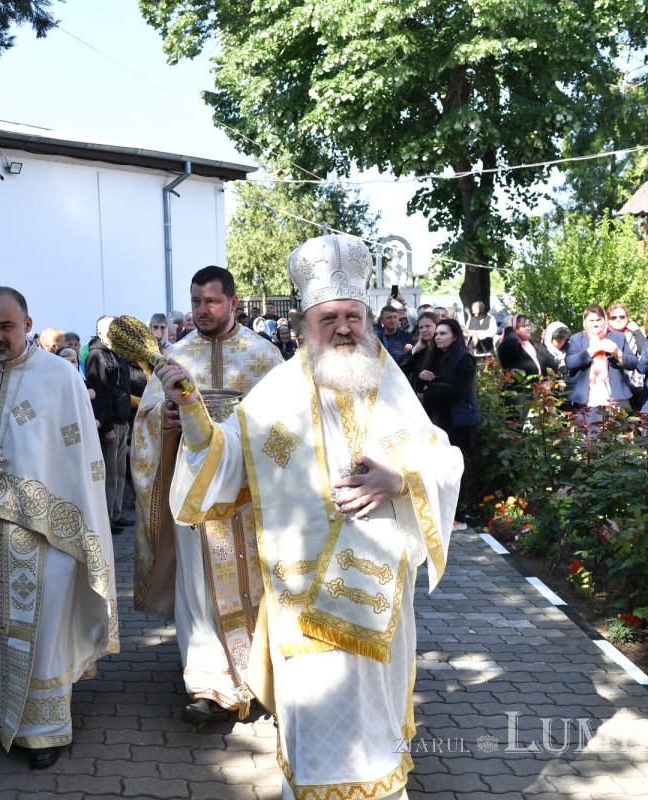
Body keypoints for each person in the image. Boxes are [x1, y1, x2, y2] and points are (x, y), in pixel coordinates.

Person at [155, 233, 462, 799]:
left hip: (377, 596)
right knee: (315, 730)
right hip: (301, 597)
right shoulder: (277, 392)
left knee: (375, 724)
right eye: (329, 318)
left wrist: (401, 481)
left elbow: (443, 458)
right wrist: (194, 411)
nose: (343, 328)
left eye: (353, 316)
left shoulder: (390, 384)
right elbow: (226, 457)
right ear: (303, 324)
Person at [0, 287, 119, 770]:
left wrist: (81, 526)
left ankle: (43, 730)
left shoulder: (61, 377)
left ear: (27, 323)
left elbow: (83, 456)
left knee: (42, 628)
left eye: (5, 326)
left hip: (49, 532)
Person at [132, 265, 283, 725]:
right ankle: (207, 684)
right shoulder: (175, 357)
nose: (202, 310)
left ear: (233, 303)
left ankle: (257, 678)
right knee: (196, 586)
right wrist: (163, 422)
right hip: (192, 492)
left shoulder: (265, 356)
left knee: (252, 583)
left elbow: (286, 425)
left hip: (246, 494)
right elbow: (146, 419)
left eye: (212, 301)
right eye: (196, 301)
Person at [417, 318, 478, 529]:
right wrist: (422, 379)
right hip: (435, 421)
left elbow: (458, 391)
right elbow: (420, 387)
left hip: (456, 422)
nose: (438, 337)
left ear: (455, 336)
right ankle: (441, 511)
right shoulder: (434, 356)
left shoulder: (464, 358)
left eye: (443, 333)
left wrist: (432, 389)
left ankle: (459, 516)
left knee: (456, 469)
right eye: (437, 334)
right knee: (437, 467)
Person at [86, 316, 134, 528]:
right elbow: (100, 392)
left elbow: (124, 387)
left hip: (121, 421)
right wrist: (106, 426)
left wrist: (126, 419)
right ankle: (106, 518)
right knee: (110, 474)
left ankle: (116, 513)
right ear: (99, 332)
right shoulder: (96, 355)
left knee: (121, 472)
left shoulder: (118, 352)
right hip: (110, 423)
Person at [564, 304, 638, 420]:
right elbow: (570, 362)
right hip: (586, 398)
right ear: (585, 321)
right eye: (591, 320)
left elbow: (633, 363)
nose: (595, 324)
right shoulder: (576, 339)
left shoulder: (618, 337)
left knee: (614, 430)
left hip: (614, 397)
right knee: (587, 430)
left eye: (598, 320)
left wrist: (617, 352)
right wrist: (593, 350)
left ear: (605, 321)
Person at [607, 303, 648, 410]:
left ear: (627, 318)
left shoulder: (634, 333)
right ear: (608, 320)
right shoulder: (605, 335)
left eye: (622, 317)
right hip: (615, 386)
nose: (618, 320)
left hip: (636, 384)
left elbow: (646, 352)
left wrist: (637, 331)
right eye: (614, 317)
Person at [403, 310, 438, 380]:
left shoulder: (443, 348)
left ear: (437, 327)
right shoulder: (419, 349)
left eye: (428, 326)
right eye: (421, 327)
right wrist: (414, 350)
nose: (424, 330)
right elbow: (400, 371)